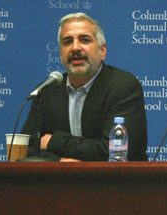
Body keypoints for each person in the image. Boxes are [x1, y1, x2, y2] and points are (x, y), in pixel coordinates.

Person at [21, 12, 148, 162]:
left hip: (115, 183)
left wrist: (54, 141)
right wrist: (60, 162)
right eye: (67, 41)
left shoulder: (123, 86)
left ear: (102, 51)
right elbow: (25, 149)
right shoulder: (47, 91)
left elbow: (112, 151)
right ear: (60, 54)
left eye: (85, 40)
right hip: (59, 183)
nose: (75, 47)